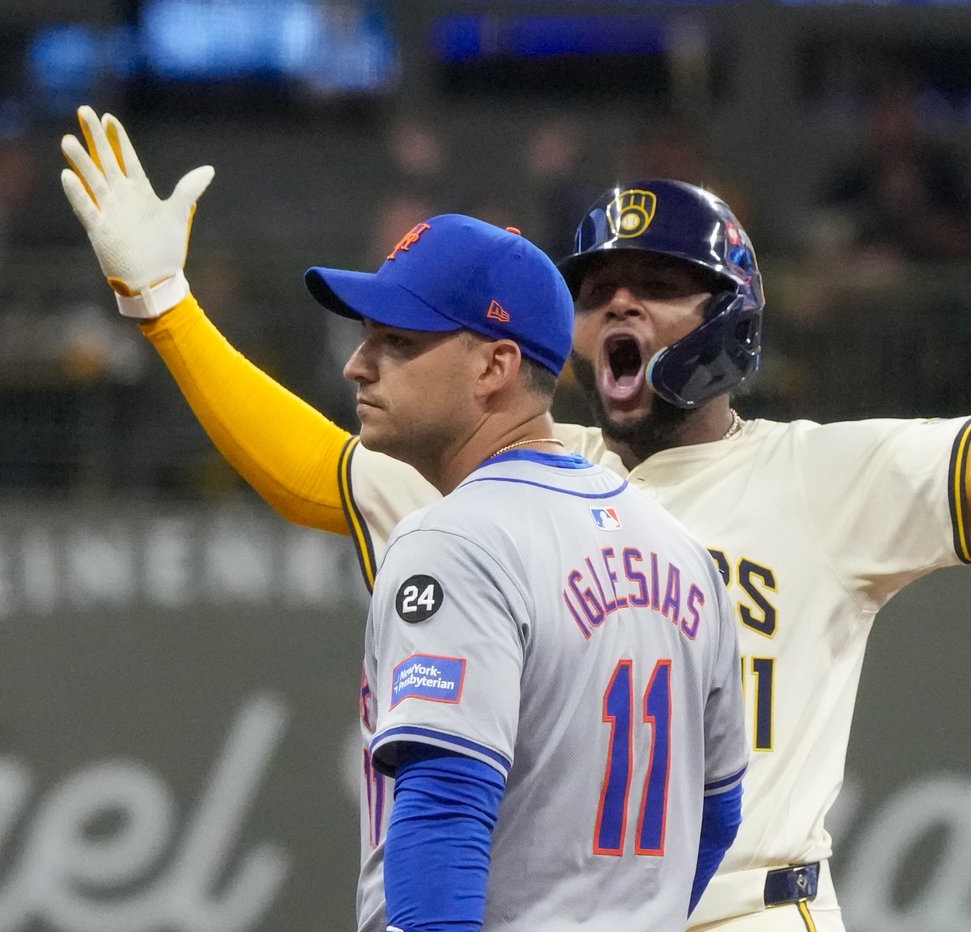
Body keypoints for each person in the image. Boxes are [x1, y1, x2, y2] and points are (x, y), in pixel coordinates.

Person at [59, 64, 971, 932]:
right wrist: (165, 303)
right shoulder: (510, 479)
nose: (624, 306)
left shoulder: (815, 473)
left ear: (731, 321)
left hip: (755, 907)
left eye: (662, 287)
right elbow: (317, 471)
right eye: (600, 286)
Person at [61, 111, 748, 932]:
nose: (359, 362)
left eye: (397, 340)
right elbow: (719, 818)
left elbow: (444, 814)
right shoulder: (680, 554)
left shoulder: (456, 537)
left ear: (495, 366)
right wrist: (166, 306)